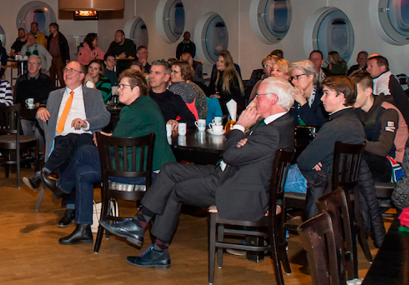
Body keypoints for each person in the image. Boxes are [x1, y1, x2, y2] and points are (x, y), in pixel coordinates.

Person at [100, 78, 296, 268]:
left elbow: (230, 155)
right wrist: (241, 141)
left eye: (259, 96)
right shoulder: (277, 125)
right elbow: (238, 153)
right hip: (230, 176)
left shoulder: (272, 130)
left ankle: (158, 249)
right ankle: (139, 223)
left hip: (237, 190)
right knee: (170, 170)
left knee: (175, 189)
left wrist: (239, 128)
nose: (255, 100)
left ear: (274, 99)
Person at [55, 70, 176, 245]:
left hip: (139, 172)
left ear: (136, 90)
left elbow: (113, 146)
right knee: (83, 172)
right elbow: (128, 136)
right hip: (150, 168)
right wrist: (108, 136)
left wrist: (104, 138)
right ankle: (83, 229)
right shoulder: (148, 104)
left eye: (122, 86)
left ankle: (62, 186)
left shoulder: (130, 111)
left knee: (83, 151)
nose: (118, 90)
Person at [32, 61, 110, 227]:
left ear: (82, 76)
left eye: (72, 70)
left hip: (85, 138)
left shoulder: (93, 95)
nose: (67, 73)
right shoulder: (54, 95)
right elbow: (46, 125)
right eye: (66, 69)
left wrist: (86, 122)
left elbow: (105, 117)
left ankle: (45, 174)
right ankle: (71, 206)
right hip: (59, 141)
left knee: (75, 142)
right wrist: (40, 113)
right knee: (70, 147)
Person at [296, 76, 366, 218]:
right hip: (343, 184)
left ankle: (277, 233)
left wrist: (313, 161)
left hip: (324, 185)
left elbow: (303, 162)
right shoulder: (356, 123)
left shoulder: (333, 127)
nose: (322, 98)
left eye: (327, 93)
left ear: (341, 97)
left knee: (273, 180)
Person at [350, 70, 406, 182]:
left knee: (358, 160)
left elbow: (383, 149)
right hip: (369, 159)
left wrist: (358, 142)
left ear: (368, 91)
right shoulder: (355, 111)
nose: (351, 98)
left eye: (355, 93)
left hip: (392, 163)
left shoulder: (388, 112)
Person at [15, 55, 55, 156]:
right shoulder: (21, 80)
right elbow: (16, 100)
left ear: (39, 66)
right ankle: (32, 152)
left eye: (34, 64)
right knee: (23, 123)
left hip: (40, 115)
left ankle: (36, 153)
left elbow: (50, 99)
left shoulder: (46, 80)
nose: (31, 66)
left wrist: (40, 104)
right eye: (29, 63)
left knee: (39, 129)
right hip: (25, 115)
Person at [366, 54, 409, 127]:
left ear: (383, 67)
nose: (367, 69)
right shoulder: (385, 78)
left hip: (398, 123)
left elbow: (383, 104)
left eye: (371, 66)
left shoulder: (385, 82)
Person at [145, 61, 195, 127]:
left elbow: (191, 120)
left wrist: (177, 123)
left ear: (166, 78)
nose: (152, 76)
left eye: (157, 73)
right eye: (151, 72)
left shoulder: (173, 98)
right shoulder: (143, 96)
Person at [205, 50, 245, 118]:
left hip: (230, 103)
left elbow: (235, 95)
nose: (218, 63)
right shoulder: (216, 74)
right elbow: (210, 89)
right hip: (219, 101)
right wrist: (211, 95)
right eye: (218, 60)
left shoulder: (232, 75)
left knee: (214, 102)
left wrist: (220, 97)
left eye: (221, 61)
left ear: (227, 63)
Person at [290, 60, 327, 128]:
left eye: (297, 77)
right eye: (292, 78)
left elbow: (317, 125)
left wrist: (303, 102)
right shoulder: (297, 95)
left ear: (310, 77)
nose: (293, 81)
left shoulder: (322, 96)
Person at [46, 23, 69, 87]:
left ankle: (63, 87)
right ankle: (52, 88)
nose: (50, 29)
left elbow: (66, 48)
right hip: (51, 58)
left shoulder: (61, 37)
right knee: (52, 74)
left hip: (59, 58)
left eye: (51, 28)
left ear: (55, 28)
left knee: (60, 75)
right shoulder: (50, 37)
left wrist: (67, 58)